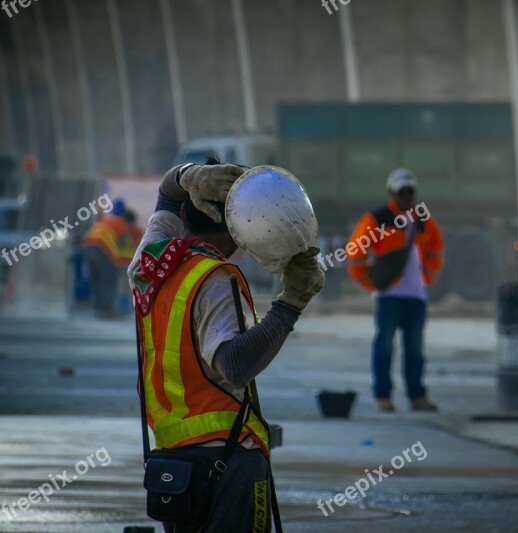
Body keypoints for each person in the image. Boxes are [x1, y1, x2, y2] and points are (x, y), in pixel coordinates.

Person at [128, 161, 324, 532]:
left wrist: (188, 175)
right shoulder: (216, 278)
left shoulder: (149, 264)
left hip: (173, 462)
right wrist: (290, 304)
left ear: (185, 212)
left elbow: (167, 195)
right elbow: (234, 365)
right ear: (239, 232)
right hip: (228, 460)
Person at [347, 168, 445, 412]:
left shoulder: (423, 219)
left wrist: (426, 278)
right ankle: (383, 397)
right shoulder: (378, 218)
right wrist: (370, 283)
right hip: (389, 296)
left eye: (410, 191)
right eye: (402, 192)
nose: (406, 196)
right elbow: (355, 252)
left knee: (415, 350)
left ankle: (416, 396)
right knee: (385, 347)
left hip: (416, 296)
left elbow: (436, 250)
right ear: (392, 193)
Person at [81, 198, 136, 318]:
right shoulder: (123, 225)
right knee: (108, 279)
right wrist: (128, 260)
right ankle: (106, 310)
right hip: (101, 249)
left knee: (96, 279)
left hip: (87, 247)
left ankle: (98, 309)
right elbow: (123, 247)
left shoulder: (107, 220)